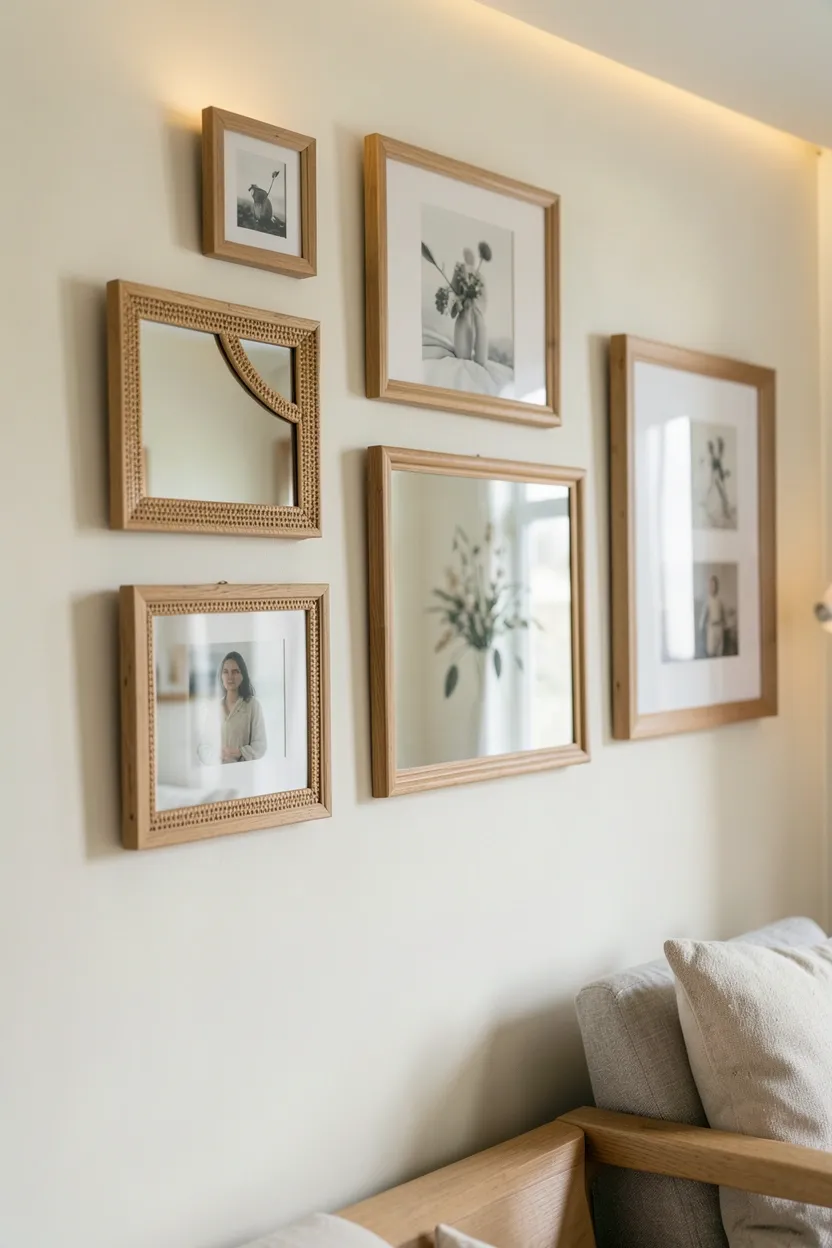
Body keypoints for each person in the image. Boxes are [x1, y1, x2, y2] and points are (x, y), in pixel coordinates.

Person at [197, 651, 267, 764]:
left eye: (235, 672)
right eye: (225, 672)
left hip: (243, 772)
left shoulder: (253, 706)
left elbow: (260, 745)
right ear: (221, 676)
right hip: (218, 772)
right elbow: (203, 747)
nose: (230, 677)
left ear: (243, 675)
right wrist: (217, 756)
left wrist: (238, 752)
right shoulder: (213, 708)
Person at [699, 575, 726, 658]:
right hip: (711, 629)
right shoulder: (707, 602)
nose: (712, 587)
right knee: (711, 653)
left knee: (720, 652)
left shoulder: (720, 601)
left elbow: (723, 617)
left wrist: (724, 626)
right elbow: (702, 620)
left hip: (719, 629)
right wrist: (701, 630)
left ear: (717, 587)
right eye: (711, 585)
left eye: (714, 585)